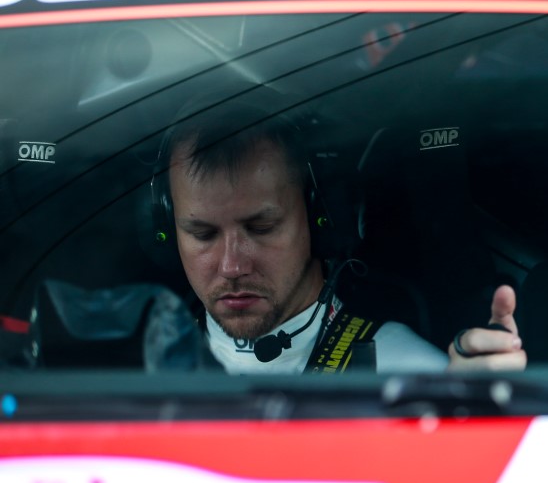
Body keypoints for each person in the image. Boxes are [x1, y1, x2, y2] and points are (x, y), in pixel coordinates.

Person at [163, 107, 525, 374]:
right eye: (203, 234)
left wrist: (465, 412)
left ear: (320, 219)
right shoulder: (139, 368)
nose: (232, 266)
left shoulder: (406, 374)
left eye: (262, 228)